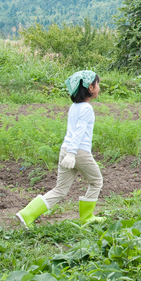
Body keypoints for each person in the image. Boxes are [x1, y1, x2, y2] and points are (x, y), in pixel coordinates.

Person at [16, 70, 105, 228]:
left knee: (60, 189)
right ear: (90, 87)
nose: (99, 87)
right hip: (78, 152)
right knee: (96, 181)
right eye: (98, 84)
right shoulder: (87, 109)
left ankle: (26, 214)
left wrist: (69, 153)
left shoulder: (74, 107)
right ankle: (86, 218)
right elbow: (79, 132)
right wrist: (72, 154)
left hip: (66, 150)